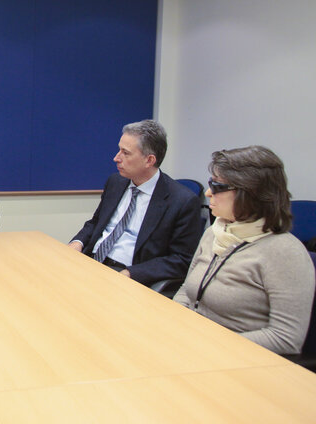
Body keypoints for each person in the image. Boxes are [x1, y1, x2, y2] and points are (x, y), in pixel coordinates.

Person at [173, 146, 315, 354]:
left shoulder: (285, 252)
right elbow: (186, 289)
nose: (208, 192)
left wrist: (211, 345)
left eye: (217, 186)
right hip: (194, 344)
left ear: (250, 193)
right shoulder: (215, 232)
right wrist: (173, 326)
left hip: (239, 360)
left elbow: (286, 338)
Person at [69, 119, 203, 286]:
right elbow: (96, 222)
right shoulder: (116, 182)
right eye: (119, 150)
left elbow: (181, 259)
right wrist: (77, 242)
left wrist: (132, 273)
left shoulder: (182, 201)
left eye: (126, 153)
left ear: (149, 160)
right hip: (92, 261)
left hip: (128, 274)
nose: (116, 158)